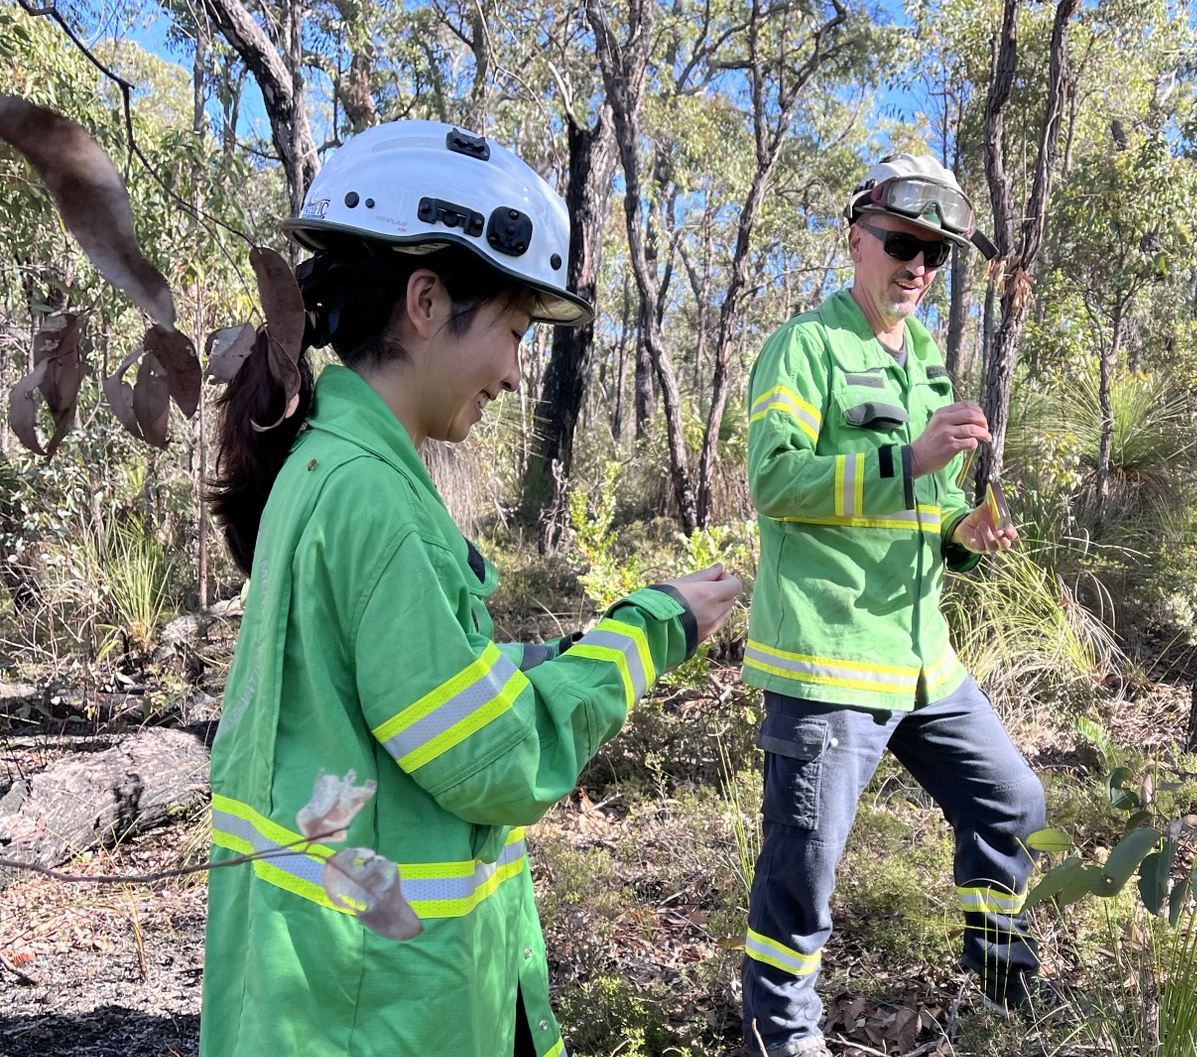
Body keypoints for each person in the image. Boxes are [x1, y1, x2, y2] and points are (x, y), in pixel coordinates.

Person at [200, 119, 741, 1057]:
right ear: (424, 299)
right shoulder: (374, 501)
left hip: (333, 985)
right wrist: (654, 627)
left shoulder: (331, 464)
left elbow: (404, 689)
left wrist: (544, 655)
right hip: (379, 1010)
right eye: (513, 332)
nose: (510, 371)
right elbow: (493, 758)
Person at [739, 153, 1047, 1057]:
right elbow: (772, 478)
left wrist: (964, 530)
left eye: (935, 256)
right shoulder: (804, 348)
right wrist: (905, 461)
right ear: (856, 240)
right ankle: (782, 1036)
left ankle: (1001, 982)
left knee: (1012, 801)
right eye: (903, 244)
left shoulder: (928, 371)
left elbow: (932, 507)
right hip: (828, 661)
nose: (917, 267)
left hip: (924, 662)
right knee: (804, 869)